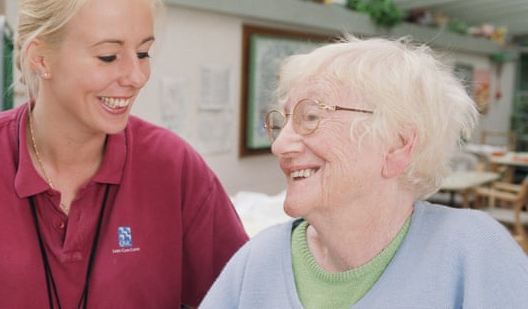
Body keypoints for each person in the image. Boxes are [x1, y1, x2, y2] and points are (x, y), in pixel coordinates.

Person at [0, 0, 248, 308]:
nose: (136, 76)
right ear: (40, 58)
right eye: (108, 56)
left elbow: (247, 295)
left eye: (144, 53)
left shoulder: (175, 167)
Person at [200, 36, 528, 308]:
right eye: (283, 120)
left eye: (311, 117)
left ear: (397, 145)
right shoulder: (258, 261)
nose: (280, 145)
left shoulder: (474, 251)